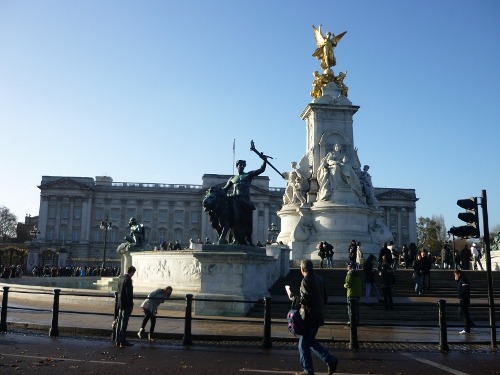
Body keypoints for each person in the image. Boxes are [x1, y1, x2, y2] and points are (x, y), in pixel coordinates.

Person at [287, 259, 338, 375]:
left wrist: (293, 296)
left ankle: (314, 367)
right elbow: (325, 299)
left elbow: (305, 300)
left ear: (302, 269)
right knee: (308, 341)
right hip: (317, 316)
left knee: (304, 344)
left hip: (308, 317)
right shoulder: (320, 279)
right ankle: (327, 362)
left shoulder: (306, 280)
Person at [222, 154, 267, 245]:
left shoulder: (248, 175)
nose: (242, 166)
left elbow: (261, 170)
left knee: (247, 222)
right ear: (237, 166)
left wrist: (264, 161)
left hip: (244, 201)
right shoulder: (232, 178)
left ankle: (248, 238)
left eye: (243, 165)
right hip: (235, 199)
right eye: (240, 165)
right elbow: (224, 190)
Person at [115, 265, 136, 347]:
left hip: (120, 303)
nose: (133, 274)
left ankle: (117, 339)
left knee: (119, 322)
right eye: (133, 273)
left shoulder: (121, 278)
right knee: (124, 323)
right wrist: (131, 304)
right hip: (126, 304)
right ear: (132, 272)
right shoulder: (128, 279)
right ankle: (122, 340)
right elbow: (129, 293)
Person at [454, 269, 474, 334]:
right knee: (461, 313)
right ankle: (469, 324)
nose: (455, 276)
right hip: (462, 299)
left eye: (455, 275)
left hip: (464, 299)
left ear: (459, 274)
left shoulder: (464, 279)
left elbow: (465, 289)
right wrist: (456, 280)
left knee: (464, 313)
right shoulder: (461, 279)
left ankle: (467, 328)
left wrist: (460, 295)